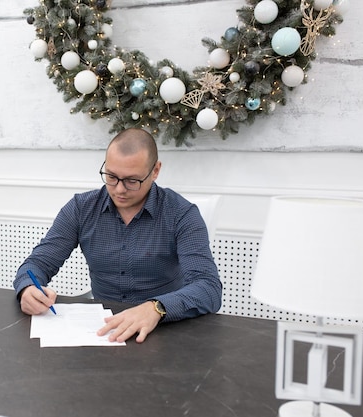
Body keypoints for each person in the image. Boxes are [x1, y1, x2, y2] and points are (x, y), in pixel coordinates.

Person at [13, 128, 222, 343]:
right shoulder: (81, 208)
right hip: (104, 332)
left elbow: (208, 287)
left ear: (155, 170)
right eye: (111, 177)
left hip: (163, 330)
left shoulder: (182, 214)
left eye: (132, 181)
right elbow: (37, 263)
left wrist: (156, 308)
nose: (119, 190)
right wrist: (28, 289)